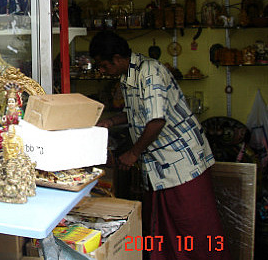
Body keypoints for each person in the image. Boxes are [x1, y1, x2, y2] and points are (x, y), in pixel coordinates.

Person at [89, 31, 230, 260]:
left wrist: (133, 153)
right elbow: (137, 113)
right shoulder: (127, 76)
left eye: (103, 65)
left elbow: (156, 120)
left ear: (117, 58)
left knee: (194, 228)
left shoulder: (149, 72)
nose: (102, 71)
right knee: (165, 229)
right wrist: (110, 122)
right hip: (159, 166)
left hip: (182, 163)